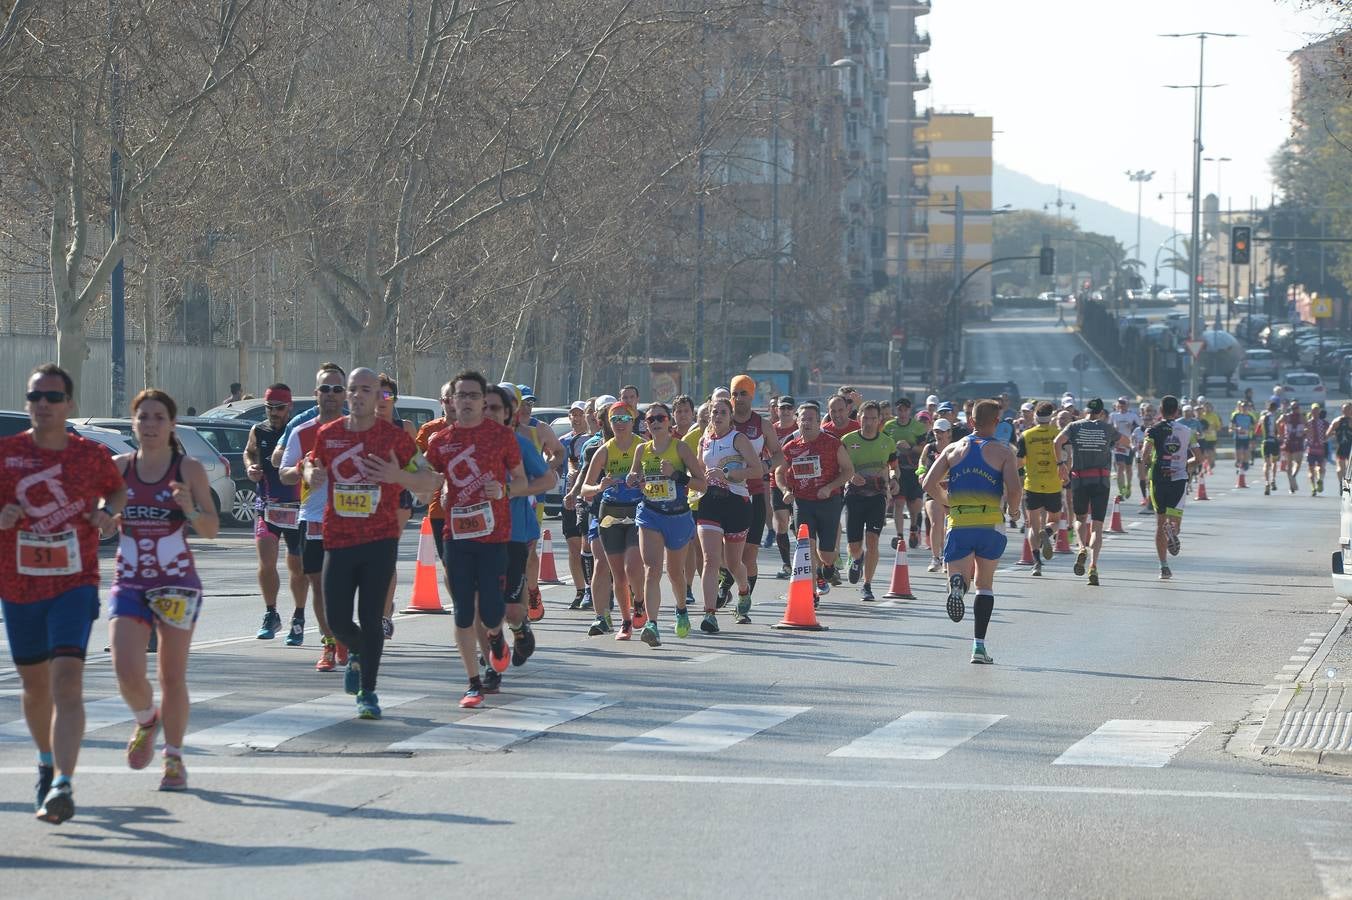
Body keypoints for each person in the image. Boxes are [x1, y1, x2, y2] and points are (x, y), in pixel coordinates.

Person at [0, 364, 126, 823]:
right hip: (18, 585)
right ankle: (45, 761)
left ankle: (62, 784)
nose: (43, 405)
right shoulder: (6, 453)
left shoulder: (89, 456)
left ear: (69, 404)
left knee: (67, 678)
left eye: (52, 397)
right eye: (35, 397)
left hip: (74, 582)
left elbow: (116, 493)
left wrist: (106, 514)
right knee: (35, 688)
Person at [304, 368, 430, 720]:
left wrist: (399, 477)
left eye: (367, 390)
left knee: (371, 619)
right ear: (346, 395)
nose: (359, 395)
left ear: (379, 397)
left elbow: (431, 478)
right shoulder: (328, 435)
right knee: (337, 620)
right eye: (353, 389)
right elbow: (310, 467)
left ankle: (367, 691)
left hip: (380, 540)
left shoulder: (395, 438)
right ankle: (358, 651)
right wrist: (309, 475)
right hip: (339, 539)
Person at [110, 389, 220, 792]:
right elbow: (99, 521)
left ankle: (173, 758)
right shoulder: (118, 468)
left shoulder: (187, 469)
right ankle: (146, 720)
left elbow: (210, 530)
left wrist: (189, 507)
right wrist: (106, 518)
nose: (151, 425)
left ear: (172, 424)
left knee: (171, 675)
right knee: (125, 668)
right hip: (131, 581)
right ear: (133, 423)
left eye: (159, 417)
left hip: (176, 582)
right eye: (144, 417)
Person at [424, 371, 527, 709]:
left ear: (484, 401)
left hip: (495, 534)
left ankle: (496, 637)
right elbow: (424, 478)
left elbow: (521, 480)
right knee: (464, 611)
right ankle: (472, 683)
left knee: (492, 610)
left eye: (472, 395)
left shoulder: (501, 437)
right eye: (461, 395)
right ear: (451, 401)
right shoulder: (440, 442)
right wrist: (418, 482)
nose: (466, 401)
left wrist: (504, 489)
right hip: (456, 535)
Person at [921, 400, 1022, 665]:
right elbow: (1014, 489)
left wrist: (945, 501)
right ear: (997, 423)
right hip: (990, 524)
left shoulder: (954, 448)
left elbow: (928, 482)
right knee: (985, 585)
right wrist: (1013, 512)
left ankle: (957, 585)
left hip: (960, 521)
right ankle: (979, 646)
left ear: (970, 421)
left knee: (960, 578)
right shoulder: (1004, 451)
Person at [484, 385, 556, 689]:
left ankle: (520, 628)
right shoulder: (461, 443)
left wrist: (510, 491)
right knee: (482, 607)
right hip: (471, 535)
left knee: (510, 608)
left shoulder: (520, 444)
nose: (488, 414)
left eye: (495, 408)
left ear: (508, 414)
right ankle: (489, 666)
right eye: (482, 406)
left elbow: (549, 478)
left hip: (512, 533)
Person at [278, 363, 346, 672]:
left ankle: (345, 631)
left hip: (352, 517)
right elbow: (284, 473)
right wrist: (303, 470)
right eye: (325, 389)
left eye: (337, 389)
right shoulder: (302, 430)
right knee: (318, 585)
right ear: (315, 393)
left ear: (345, 394)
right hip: (314, 516)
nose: (331, 395)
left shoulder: (357, 429)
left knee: (347, 584)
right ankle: (330, 643)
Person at [627, 401, 705, 641]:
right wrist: (634, 479)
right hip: (650, 513)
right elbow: (638, 479)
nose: (656, 423)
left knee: (674, 572)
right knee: (651, 568)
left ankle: (681, 610)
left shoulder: (680, 448)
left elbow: (702, 484)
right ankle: (652, 625)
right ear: (646, 425)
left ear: (669, 422)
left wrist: (677, 475)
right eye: (651, 420)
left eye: (660, 418)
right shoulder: (642, 450)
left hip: (678, 516)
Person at [693, 397, 764, 631]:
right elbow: (698, 472)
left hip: (737, 502)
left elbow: (757, 470)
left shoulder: (738, 439)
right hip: (710, 503)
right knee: (710, 559)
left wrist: (729, 476)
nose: (718, 416)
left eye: (723, 412)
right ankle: (709, 614)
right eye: (714, 412)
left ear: (731, 415)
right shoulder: (704, 440)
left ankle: (743, 591)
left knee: (734, 562)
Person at [244, 384, 306, 644]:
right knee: (266, 562)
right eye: (270, 408)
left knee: (297, 567)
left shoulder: (298, 431)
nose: (274, 413)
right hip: (267, 505)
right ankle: (271, 614)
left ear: (289, 407)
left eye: (279, 408)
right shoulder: (258, 430)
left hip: (296, 508)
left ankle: (299, 617)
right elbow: (249, 452)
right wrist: (250, 468)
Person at [581, 401, 648, 639]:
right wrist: (599, 486)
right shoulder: (604, 450)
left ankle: (639, 602)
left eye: (624, 419)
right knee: (618, 575)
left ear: (633, 420)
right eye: (614, 419)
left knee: (632, 565)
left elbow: (658, 479)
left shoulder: (643, 446)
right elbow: (585, 489)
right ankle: (626, 621)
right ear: (609, 423)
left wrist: (644, 483)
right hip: (609, 513)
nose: (619, 424)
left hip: (637, 511)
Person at [777, 402, 853, 599]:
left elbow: (848, 470)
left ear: (819, 422)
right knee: (806, 549)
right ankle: (811, 594)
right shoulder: (791, 447)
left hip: (829, 502)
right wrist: (785, 490)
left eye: (811, 419)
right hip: (803, 503)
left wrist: (829, 487)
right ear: (797, 421)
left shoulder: (832, 443)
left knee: (826, 553)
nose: (806, 422)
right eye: (803, 419)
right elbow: (778, 472)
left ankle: (827, 566)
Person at [726, 374, 784, 613]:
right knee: (720, 553)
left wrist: (766, 468)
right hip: (725, 494)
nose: (738, 399)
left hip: (754, 493)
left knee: (748, 557)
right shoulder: (722, 422)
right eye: (735, 394)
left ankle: (743, 600)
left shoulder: (762, 425)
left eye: (743, 394)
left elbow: (779, 454)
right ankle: (723, 586)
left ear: (752, 396)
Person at [1054, 398, 1128, 587]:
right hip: (1101, 480)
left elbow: (1057, 441)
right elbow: (1125, 441)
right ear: (1101, 413)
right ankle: (1093, 566)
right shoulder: (1106, 428)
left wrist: (1060, 464)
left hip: (1079, 478)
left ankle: (1081, 547)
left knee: (1080, 518)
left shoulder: (1074, 426)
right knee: (1097, 525)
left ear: (1086, 411)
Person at [376, 373, 419, 639]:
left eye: (387, 395)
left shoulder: (405, 428)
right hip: (366, 501)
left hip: (398, 499)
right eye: (376, 394)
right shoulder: (358, 427)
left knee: (386, 554)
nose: (381, 400)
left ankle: (383, 616)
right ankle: (380, 605)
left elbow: (417, 465)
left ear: (394, 398)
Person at [842, 401, 898, 601]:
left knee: (872, 540)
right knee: (855, 546)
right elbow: (841, 467)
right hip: (854, 497)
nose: (869, 422)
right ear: (859, 419)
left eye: (873, 418)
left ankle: (867, 585)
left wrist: (894, 480)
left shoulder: (887, 441)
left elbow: (893, 466)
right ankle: (856, 558)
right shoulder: (847, 440)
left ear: (879, 420)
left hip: (877, 496)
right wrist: (850, 476)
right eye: (865, 418)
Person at [1142, 395, 1199, 580]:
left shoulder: (1152, 430)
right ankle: (1172, 532)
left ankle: (1163, 567)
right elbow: (1199, 458)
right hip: (1179, 479)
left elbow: (1145, 456)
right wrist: (1184, 464)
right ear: (1177, 412)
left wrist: (1150, 466)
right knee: (1175, 523)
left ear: (1161, 410)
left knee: (1159, 524)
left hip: (1158, 479)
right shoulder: (1188, 431)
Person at [1017, 401, 1061, 577]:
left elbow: (1019, 462)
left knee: (1032, 527)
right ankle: (1048, 532)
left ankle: (1037, 563)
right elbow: (1065, 457)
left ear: (1035, 416)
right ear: (1051, 417)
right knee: (1055, 521)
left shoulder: (1026, 435)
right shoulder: (1058, 434)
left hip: (1032, 484)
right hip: (1053, 483)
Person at [414, 382, 457, 564]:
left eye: (457, 398)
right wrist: (431, 449)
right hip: (439, 509)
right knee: (448, 563)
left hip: (470, 508)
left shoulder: (476, 430)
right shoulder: (429, 430)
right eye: (448, 400)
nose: (452, 404)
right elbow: (415, 465)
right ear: (441, 402)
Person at [558, 401, 592, 608]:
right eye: (573, 414)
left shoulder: (595, 440)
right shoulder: (563, 442)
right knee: (573, 546)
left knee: (588, 546)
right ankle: (580, 590)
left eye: (581, 414)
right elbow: (555, 466)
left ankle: (596, 587)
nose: (577, 418)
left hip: (588, 499)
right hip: (569, 497)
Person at [884, 397, 929, 551]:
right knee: (898, 503)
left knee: (914, 504)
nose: (902, 413)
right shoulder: (889, 426)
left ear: (910, 411)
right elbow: (883, 445)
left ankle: (914, 527)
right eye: (899, 410)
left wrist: (909, 447)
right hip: (897, 470)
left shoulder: (918, 427)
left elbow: (924, 449)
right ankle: (900, 536)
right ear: (896, 410)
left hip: (914, 470)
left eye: (905, 410)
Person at [917, 418, 953, 572]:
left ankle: (947, 557)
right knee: (936, 523)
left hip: (950, 490)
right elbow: (922, 461)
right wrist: (921, 473)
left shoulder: (954, 448)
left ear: (949, 433)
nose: (939, 434)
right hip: (933, 489)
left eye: (942, 431)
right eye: (937, 431)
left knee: (950, 525)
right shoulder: (929, 447)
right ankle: (935, 558)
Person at [769, 396, 799, 576]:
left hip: (800, 482)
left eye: (789, 407)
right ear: (776, 410)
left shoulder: (799, 428)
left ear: (794, 410)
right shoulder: (771, 430)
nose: (786, 411)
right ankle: (786, 564)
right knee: (781, 523)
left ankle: (805, 560)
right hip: (777, 482)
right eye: (782, 408)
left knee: (799, 527)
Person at [1108, 397, 1142, 499]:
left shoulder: (1132, 415)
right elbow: (1108, 428)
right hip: (1118, 444)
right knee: (1120, 467)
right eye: (1120, 404)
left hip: (1130, 443)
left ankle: (1129, 485)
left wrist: (1132, 427)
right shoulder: (1113, 415)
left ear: (1127, 405)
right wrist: (1114, 429)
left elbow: (1140, 427)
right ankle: (1121, 490)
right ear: (1117, 405)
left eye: (1123, 404)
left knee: (1128, 468)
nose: (1121, 406)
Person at [1279, 401, 1307, 494]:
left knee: (1298, 462)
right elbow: (1277, 422)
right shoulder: (1286, 416)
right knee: (1289, 463)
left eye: (1296, 408)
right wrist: (1281, 434)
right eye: (1293, 408)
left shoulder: (1302, 417)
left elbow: (1307, 427)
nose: (1295, 410)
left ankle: (1293, 477)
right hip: (1289, 441)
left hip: (1298, 441)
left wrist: (1305, 433)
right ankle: (1291, 484)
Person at [1259, 400, 1282, 496]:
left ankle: (1266, 482)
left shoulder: (1263, 417)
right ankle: (1273, 479)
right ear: (1275, 408)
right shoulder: (1276, 417)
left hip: (1265, 442)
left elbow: (1259, 428)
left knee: (1266, 463)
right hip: (1274, 441)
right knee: (1274, 462)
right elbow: (1279, 431)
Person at [1308, 402, 1330, 496]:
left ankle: (1320, 480)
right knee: (1311, 470)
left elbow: (1330, 432)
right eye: (1314, 410)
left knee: (1322, 468)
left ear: (1319, 411)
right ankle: (1313, 488)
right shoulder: (1308, 423)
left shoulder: (1324, 423)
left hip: (1321, 448)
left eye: (1317, 410)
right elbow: (1302, 433)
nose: (1315, 412)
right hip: (1311, 449)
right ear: (1311, 411)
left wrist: (1326, 438)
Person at [1329, 402, 1352, 491]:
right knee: (1345, 468)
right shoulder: (1338, 421)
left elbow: (1327, 434)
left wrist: (1335, 433)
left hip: (1342, 447)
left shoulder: (1336, 421)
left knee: (1341, 468)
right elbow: (1328, 434)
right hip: (1347, 448)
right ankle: (1345, 485)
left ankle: (1343, 484)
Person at [1230, 400, 1256, 477]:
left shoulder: (1250, 416)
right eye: (1242, 406)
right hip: (1238, 436)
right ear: (1240, 407)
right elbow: (1232, 426)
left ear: (1248, 408)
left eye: (1245, 407)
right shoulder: (1236, 415)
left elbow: (1254, 426)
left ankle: (1245, 464)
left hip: (1247, 436)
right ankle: (1238, 463)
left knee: (1245, 452)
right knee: (1239, 453)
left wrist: (1249, 429)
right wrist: (1237, 428)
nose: (1244, 408)